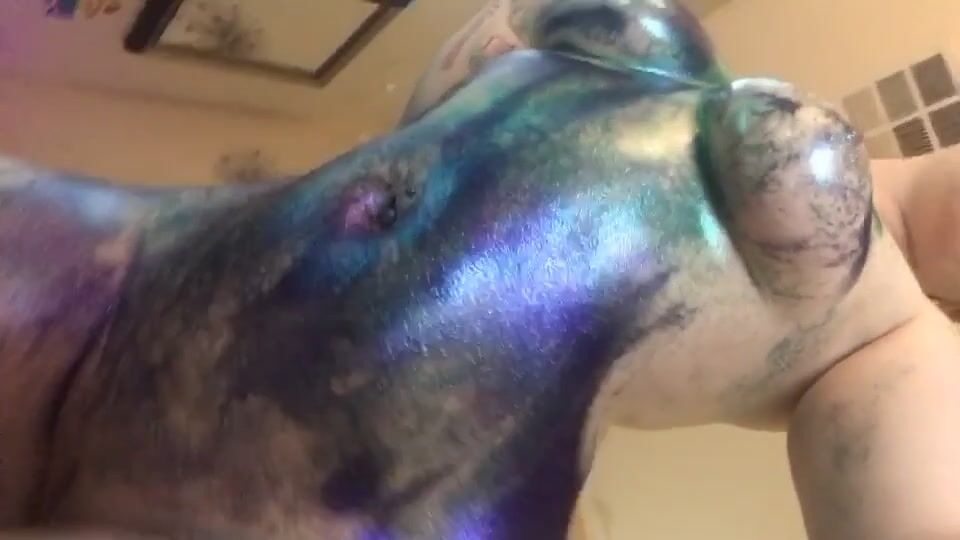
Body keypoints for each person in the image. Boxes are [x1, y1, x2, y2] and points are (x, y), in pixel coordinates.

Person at [1, 0, 959, 538]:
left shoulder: (889, 335)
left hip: (354, 494)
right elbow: (458, 94)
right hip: (147, 264)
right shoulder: (691, 68)